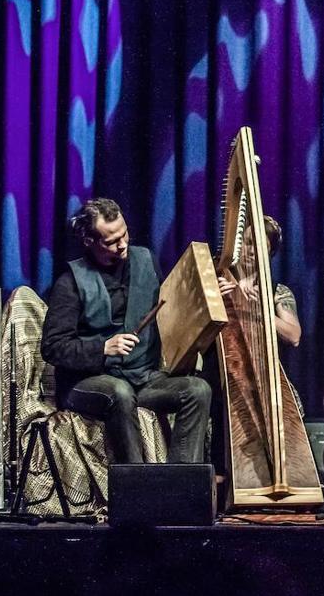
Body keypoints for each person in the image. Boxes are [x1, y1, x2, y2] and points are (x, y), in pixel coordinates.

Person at [40, 198, 211, 463]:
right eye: (110, 241)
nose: (122, 245)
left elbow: (173, 309)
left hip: (141, 378)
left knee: (197, 390)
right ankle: (136, 485)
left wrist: (210, 295)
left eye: (124, 234)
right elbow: (53, 347)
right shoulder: (71, 282)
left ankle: (180, 483)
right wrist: (103, 347)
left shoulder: (146, 261)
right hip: (88, 382)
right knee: (119, 392)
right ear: (89, 242)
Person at [217, 215, 301, 347]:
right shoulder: (218, 279)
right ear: (239, 243)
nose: (252, 251)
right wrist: (215, 300)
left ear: (269, 254)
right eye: (249, 243)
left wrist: (258, 311)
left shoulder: (277, 291)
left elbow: (294, 337)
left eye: (260, 248)